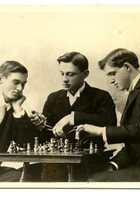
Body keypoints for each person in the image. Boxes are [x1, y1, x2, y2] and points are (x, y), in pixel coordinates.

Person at [76, 48, 140, 181]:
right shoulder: (136, 91)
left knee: (95, 181)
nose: (111, 80)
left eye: (112, 73)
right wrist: (113, 164)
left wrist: (100, 131)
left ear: (127, 66)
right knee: (91, 176)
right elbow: (133, 145)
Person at [31, 51, 117, 181]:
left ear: (85, 74)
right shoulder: (53, 98)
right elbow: (47, 135)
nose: (64, 79)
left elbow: (109, 122)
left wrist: (73, 118)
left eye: (70, 74)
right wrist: (40, 125)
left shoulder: (101, 96)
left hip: (91, 163)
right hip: (58, 165)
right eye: (62, 74)